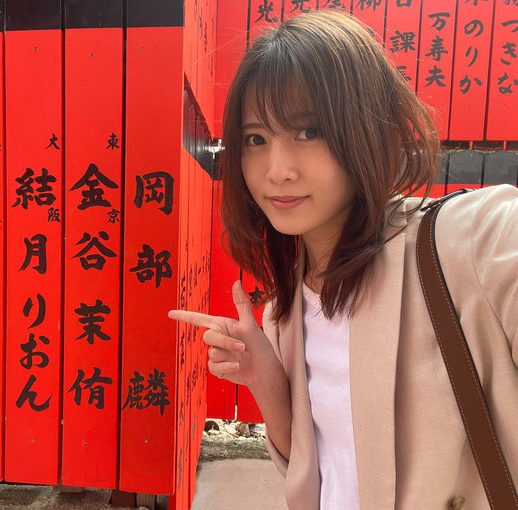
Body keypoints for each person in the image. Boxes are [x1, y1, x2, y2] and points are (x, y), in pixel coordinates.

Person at [168, 10, 518, 510]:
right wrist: (266, 378)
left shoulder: (467, 244)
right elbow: (317, 466)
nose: (277, 170)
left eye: (309, 131)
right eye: (256, 139)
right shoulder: (284, 314)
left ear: (369, 129)